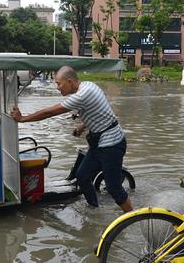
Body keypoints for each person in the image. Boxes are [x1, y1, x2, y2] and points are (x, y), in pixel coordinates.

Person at [11, 66, 133, 213]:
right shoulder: (88, 85)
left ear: (69, 81)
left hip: (112, 144)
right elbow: (98, 111)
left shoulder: (81, 95)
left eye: (58, 84)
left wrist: (22, 119)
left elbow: (50, 112)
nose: (57, 88)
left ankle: (133, 217)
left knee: (114, 188)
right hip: (99, 142)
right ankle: (94, 208)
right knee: (82, 176)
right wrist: (83, 126)